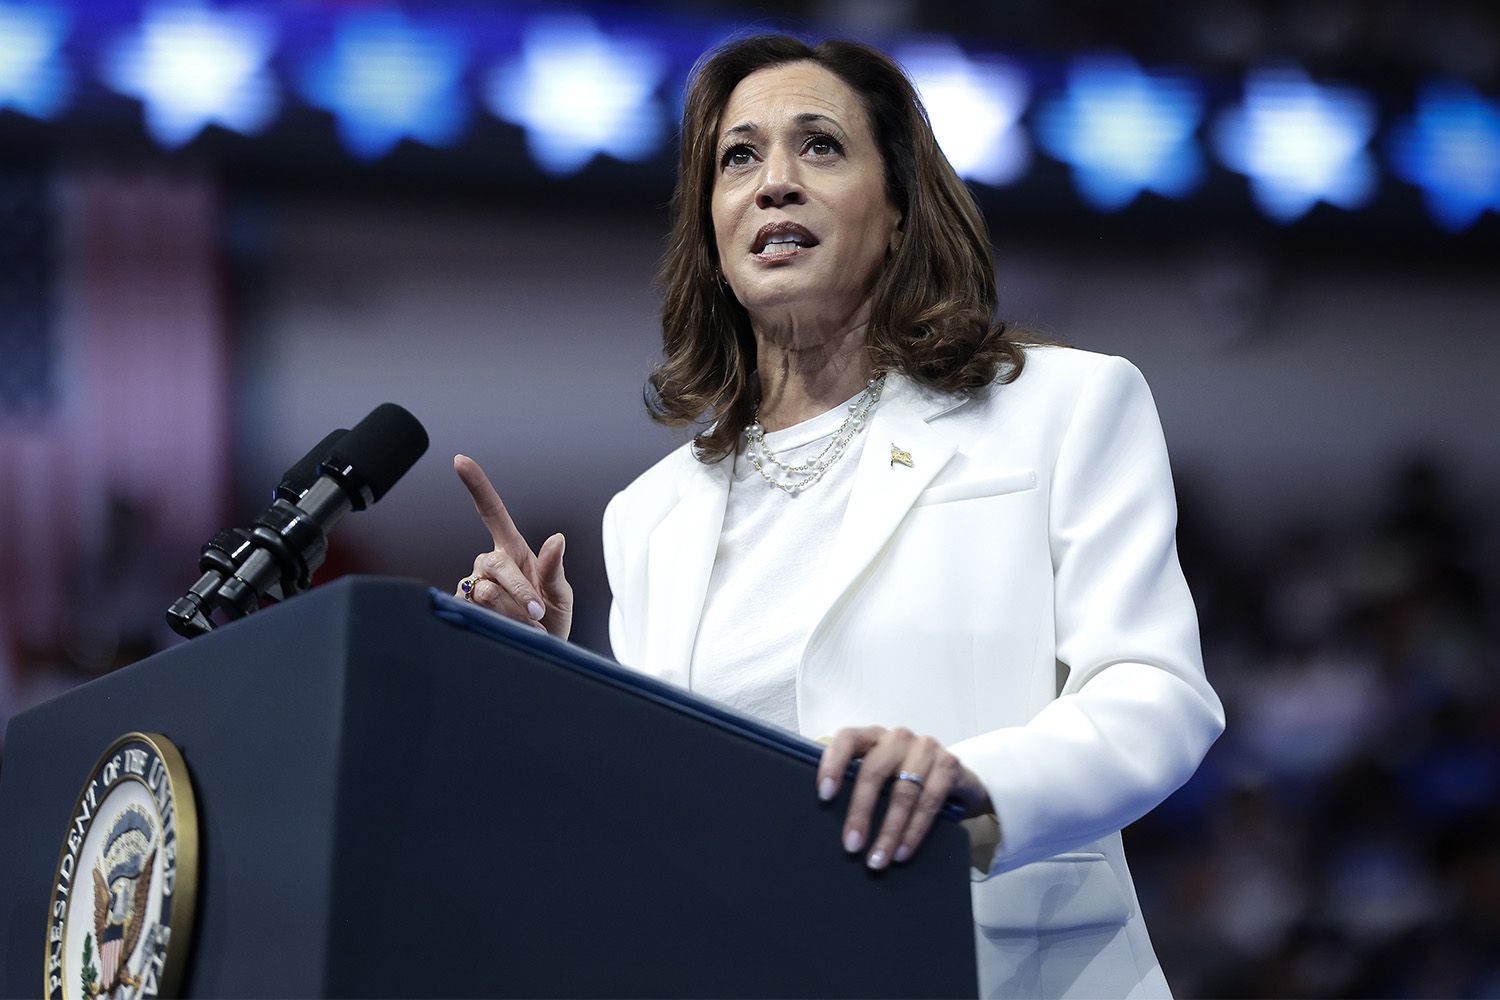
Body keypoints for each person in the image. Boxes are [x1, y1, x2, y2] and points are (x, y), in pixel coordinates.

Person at [454, 34, 1224, 999]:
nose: (774, 182)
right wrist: (543, 678)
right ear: (713, 229)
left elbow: (1156, 697)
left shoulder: (1065, 407)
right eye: (739, 157)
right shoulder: (648, 516)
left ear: (898, 212)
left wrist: (970, 785)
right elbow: (660, 816)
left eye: (819, 146)